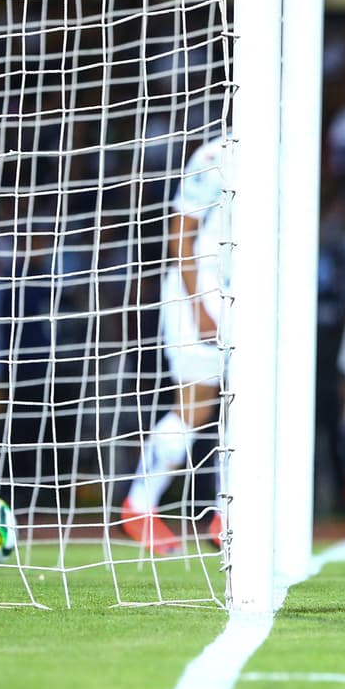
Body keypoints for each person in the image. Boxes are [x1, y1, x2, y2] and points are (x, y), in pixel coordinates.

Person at [121, 134, 231, 554]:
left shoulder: (287, 155)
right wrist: (199, 305)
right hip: (200, 296)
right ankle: (138, 505)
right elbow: (180, 232)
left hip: (249, 298)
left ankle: (228, 516)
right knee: (195, 407)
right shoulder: (217, 155)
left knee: (251, 406)